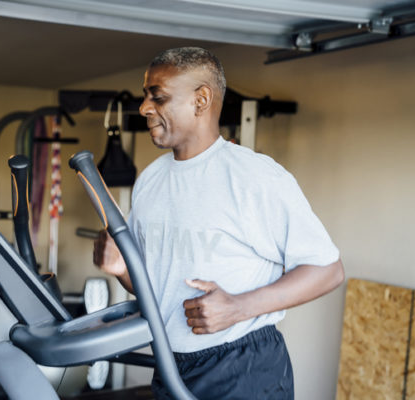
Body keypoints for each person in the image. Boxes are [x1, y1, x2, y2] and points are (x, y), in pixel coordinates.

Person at [93, 47, 344, 399]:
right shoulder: (150, 180)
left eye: (158, 97)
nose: (145, 108)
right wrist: (121, 269)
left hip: (243, 365)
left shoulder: (255, 176)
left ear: (201, 100)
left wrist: (240, 307)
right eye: (145, 97)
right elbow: (155, 290)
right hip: (171, 363)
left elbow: (328, 270)